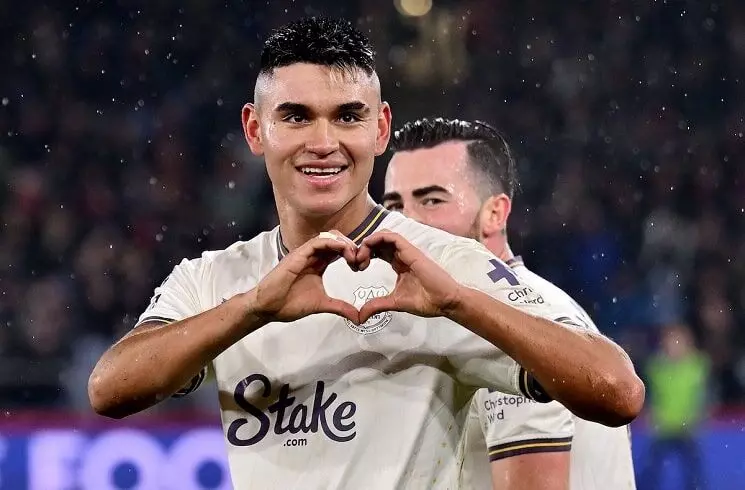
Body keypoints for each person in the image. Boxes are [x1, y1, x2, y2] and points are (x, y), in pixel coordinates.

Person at [88, 18, 644, 489]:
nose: (323, 142)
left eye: (348, 117)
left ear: (380, 129)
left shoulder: (445, 267)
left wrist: (458, 303)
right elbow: (110, 389)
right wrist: (254, 308)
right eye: (296, 116)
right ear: (255, 130)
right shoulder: (215, 279)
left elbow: (618, 392)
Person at [383, 117, 637, 490]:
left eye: (432, 200)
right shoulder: (530, 305)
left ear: (495, 214)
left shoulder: (508, 328)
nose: (407, 223)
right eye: (393, 206)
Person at [642, 323, 709, 490]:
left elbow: (704, 396)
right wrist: (651, 414)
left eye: (679, 341)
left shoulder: (698, 366)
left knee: (693, 473)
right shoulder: (655, 367)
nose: (674, 346)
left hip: (688, 428)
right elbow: (649, 395)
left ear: (688, 343)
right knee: (651, 472)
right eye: (671, 341)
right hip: (662, 427)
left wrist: (697, 416)